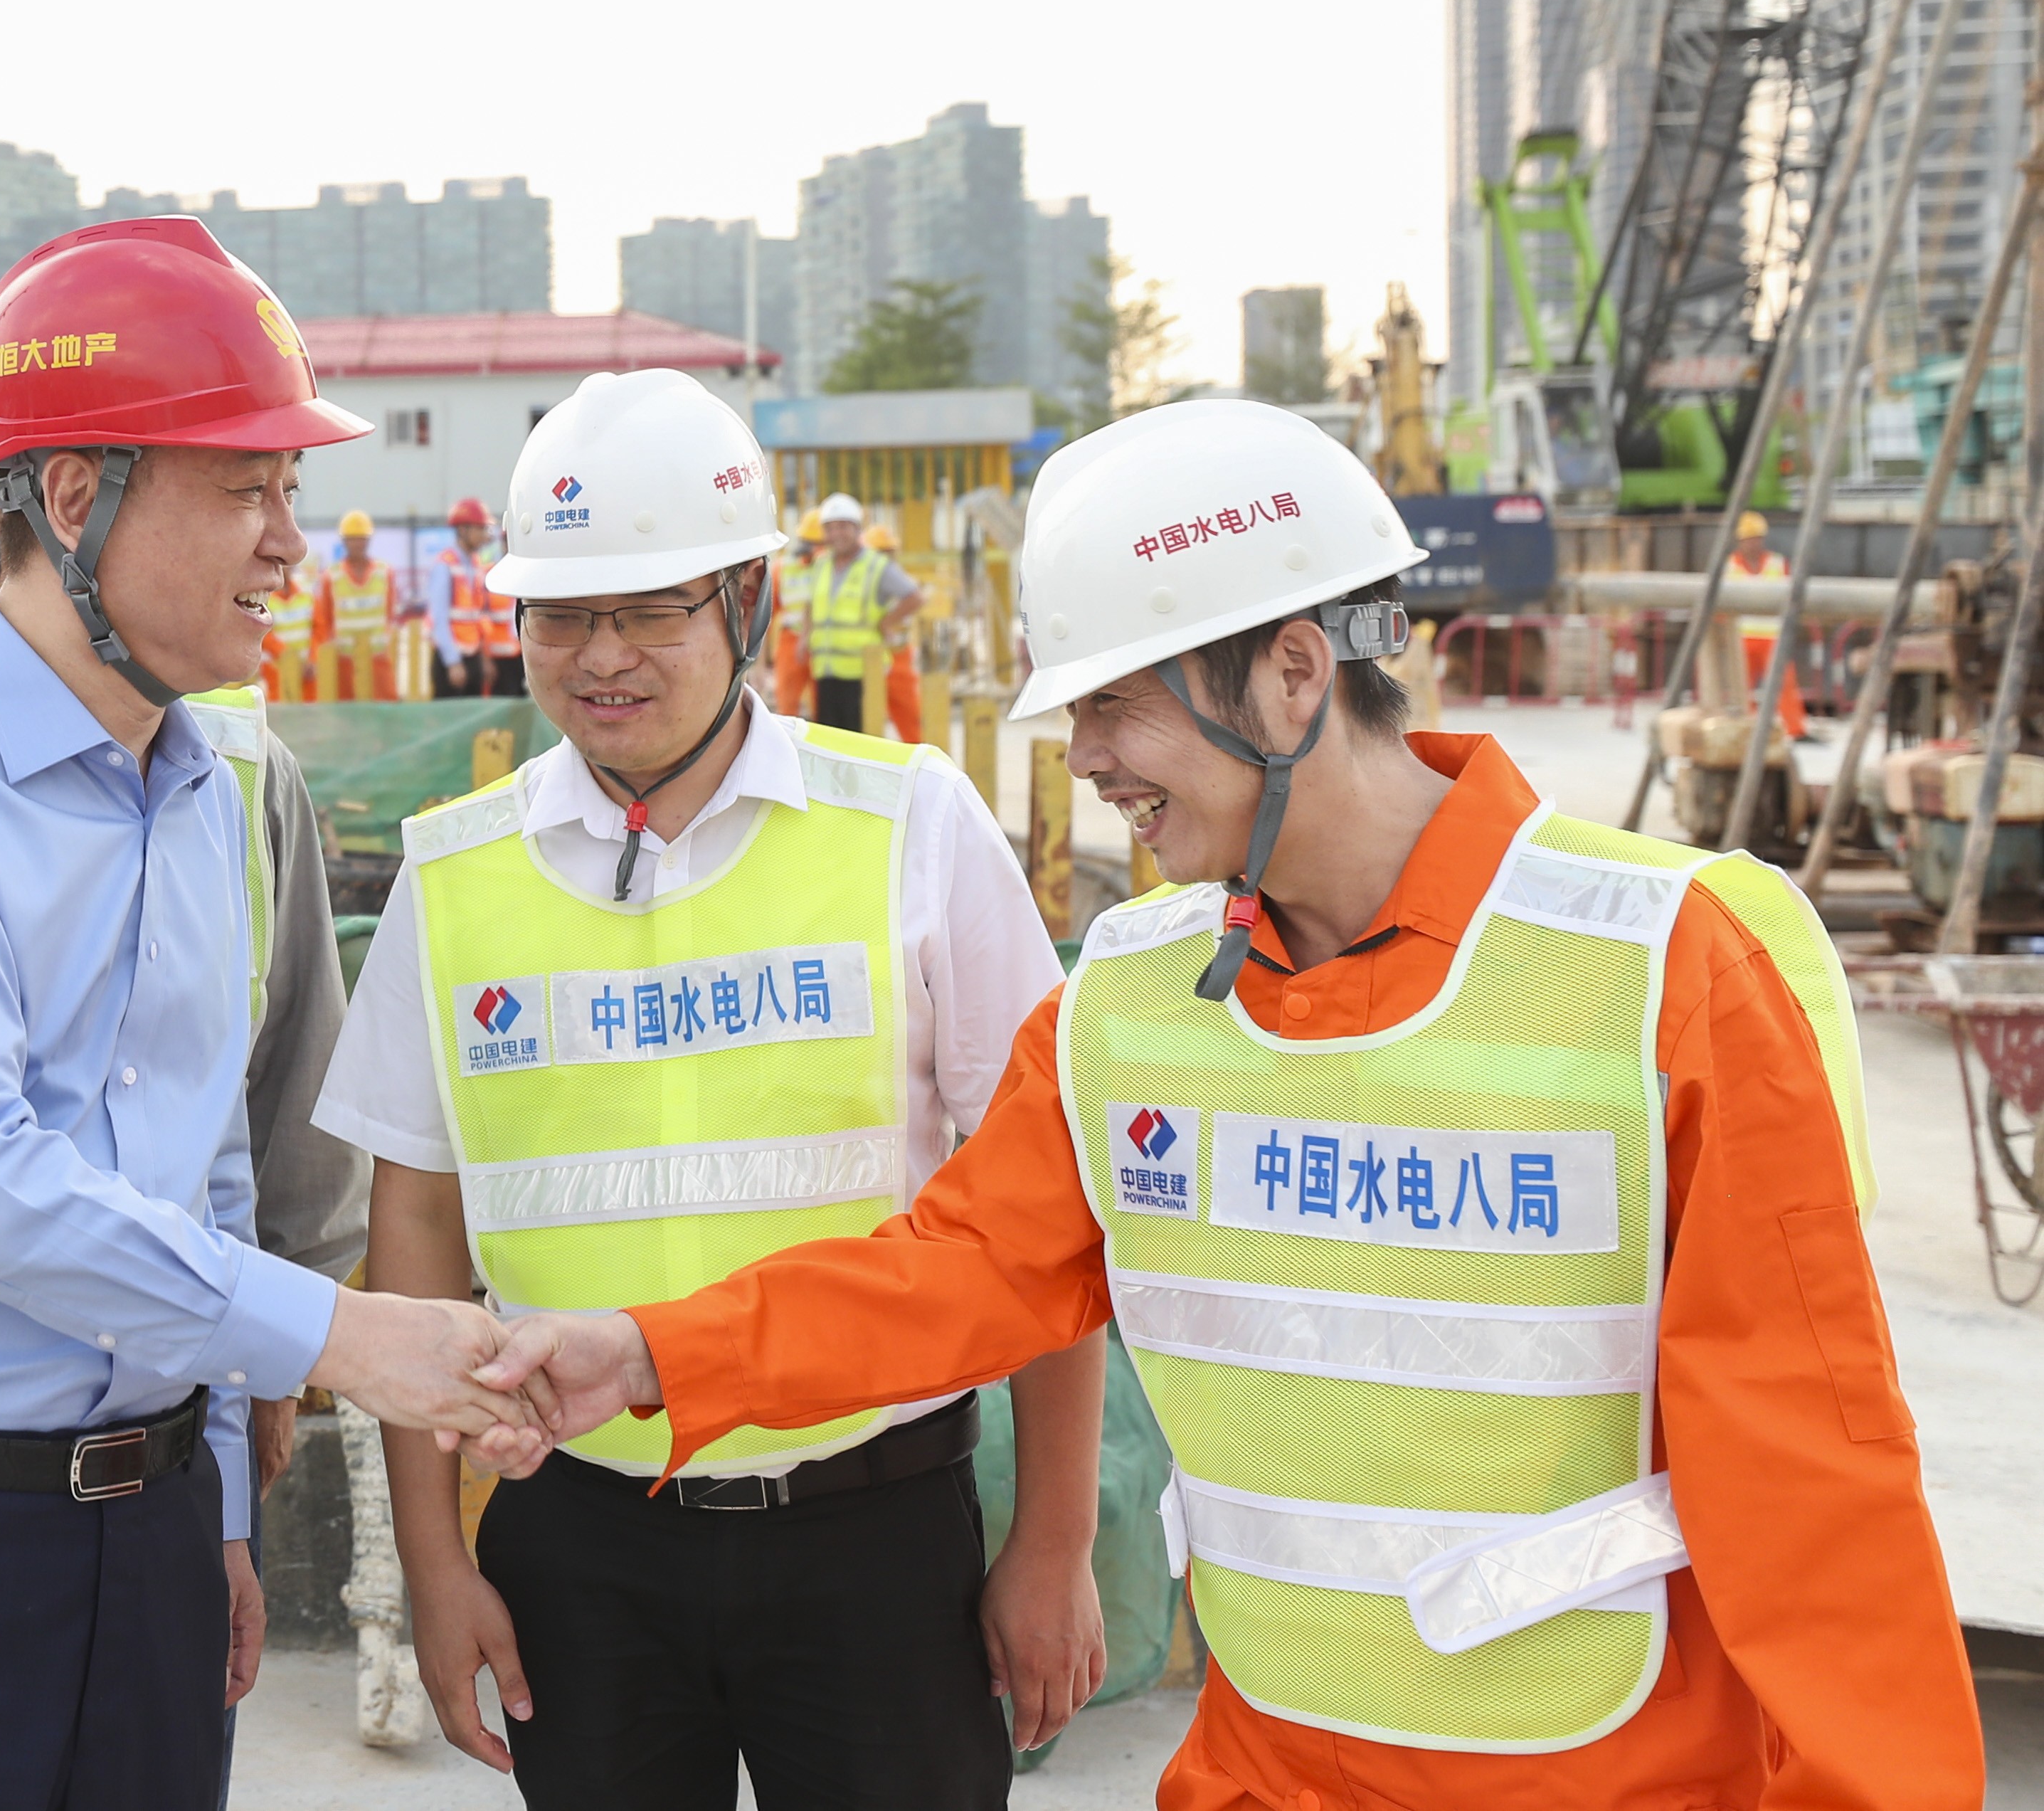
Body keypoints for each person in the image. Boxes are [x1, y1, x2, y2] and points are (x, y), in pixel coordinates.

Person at [481, 401, 1984, 1810]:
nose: (1086, 763)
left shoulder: (1666, 965)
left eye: (1119, 707)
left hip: (1612, 1767)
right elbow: (951, 1272)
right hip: (1269, 1760)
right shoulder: (1128, 1004)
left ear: (1290, 670)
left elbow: (1815, 1489)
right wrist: (647, 1352)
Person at [0, 215, 544, 1811]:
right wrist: (356, 1338)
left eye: (290, 489)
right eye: (245, 486)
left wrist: (214, 1494)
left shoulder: (220, 780)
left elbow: (205, 1152)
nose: (291, 542)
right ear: (74, 500)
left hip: (153, 1537)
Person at [312, 368, 1107, 1810]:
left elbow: (1042, 1209)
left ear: (750, 602)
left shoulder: (911, 828)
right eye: (561, 612)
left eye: (649, 609)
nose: (598, 654)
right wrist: (436, 1563)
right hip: (580, 1545)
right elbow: (414, 1227)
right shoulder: (453, 873)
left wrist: (1051, 1535)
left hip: (874, 1528)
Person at [803, 492, 921, 732]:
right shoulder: (822, 564)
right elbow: (812, 604)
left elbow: (914, 596)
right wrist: (805, 638)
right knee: (829, 744)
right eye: (831, 528)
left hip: (863, 674)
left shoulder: (875, 565)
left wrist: (887, 623)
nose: (836, 534)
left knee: (860, 744)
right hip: (825, 670)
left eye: (843, 527)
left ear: (857, 529)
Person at [1730, 509, 1806, 738]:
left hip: (1772, 636)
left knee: (1784, 685)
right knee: (1741, 688)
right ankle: (1747, 727)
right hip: (1741, 638)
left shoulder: (1777, 563)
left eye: (1757, 538)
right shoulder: (1730, 566)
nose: (1753, 544)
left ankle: (1794, 729)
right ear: (1741, 541)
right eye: (1749, 539)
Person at [314, 507, 397, 701]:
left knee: (385, 710)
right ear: (344, 542)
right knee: (348, 715)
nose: (358, 544)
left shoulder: (384, 573)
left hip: (378, 659)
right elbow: (326, 619)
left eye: (362, 538)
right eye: (353, 539)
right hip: (345, 662)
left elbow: (389, 614)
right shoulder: (332, 577)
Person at [864, 522, 926, 742]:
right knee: (869, 721)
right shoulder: (869, 576)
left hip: (896, 655)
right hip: (873, 657)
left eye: (887, 552)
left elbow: (916, 599)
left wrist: (886, 623)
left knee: (908, 718)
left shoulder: (891, 576)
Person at [430, 497, 494, 697]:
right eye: (480, 529)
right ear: (463, 530)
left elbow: (478, 617)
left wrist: (483, 658)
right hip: (451, 662)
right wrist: (453, 662)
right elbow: (438, 619)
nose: (485, 536)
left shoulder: (476, 564)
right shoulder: (445, 565)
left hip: (473, 658)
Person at [769, 508, 820, 715]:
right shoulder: (784, 568)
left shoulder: (835, 567)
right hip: (792, 640)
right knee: (787, 704)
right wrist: (760, 663)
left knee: (825, 709)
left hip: (826, 643)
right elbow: (767, 616)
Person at [258, 558, 317, 702]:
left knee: (308, 715)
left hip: (307, 674)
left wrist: (312, 659)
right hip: (277, 672)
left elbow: (318, 630)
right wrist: (289, 658)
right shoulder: (264, 597)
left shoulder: (306, 593)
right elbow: (264, 634)